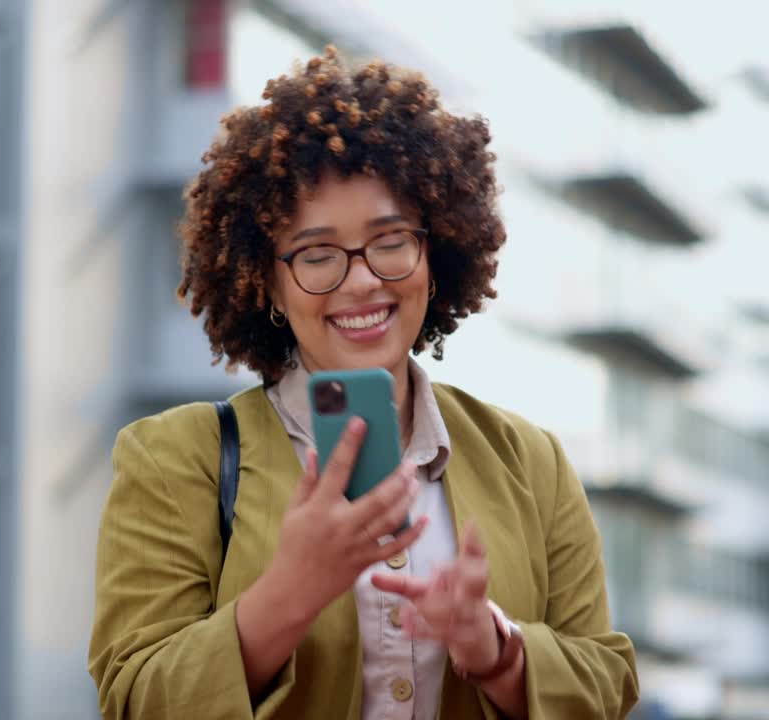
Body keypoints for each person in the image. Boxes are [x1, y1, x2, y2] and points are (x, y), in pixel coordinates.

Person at [88, 46, 638, 719]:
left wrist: (499, 650)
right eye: (317, 255)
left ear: (436, 252)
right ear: (267, 282)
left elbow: (607, 687)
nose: (362, 280)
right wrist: (290, 593)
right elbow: (134, 699)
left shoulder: (532, 462)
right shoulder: (174, 459)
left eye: (391, 240)